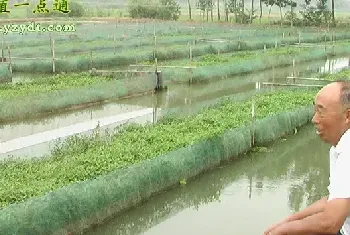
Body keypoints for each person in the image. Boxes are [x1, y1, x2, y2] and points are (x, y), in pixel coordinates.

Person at [263, 80, 350, 235]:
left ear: (347, 115)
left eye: (321, 111)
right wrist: (291, 220)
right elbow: (333, 200)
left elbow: (329, 223)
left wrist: (283, 230)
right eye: (314, 110)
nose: (314, 119)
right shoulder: (339, 148)